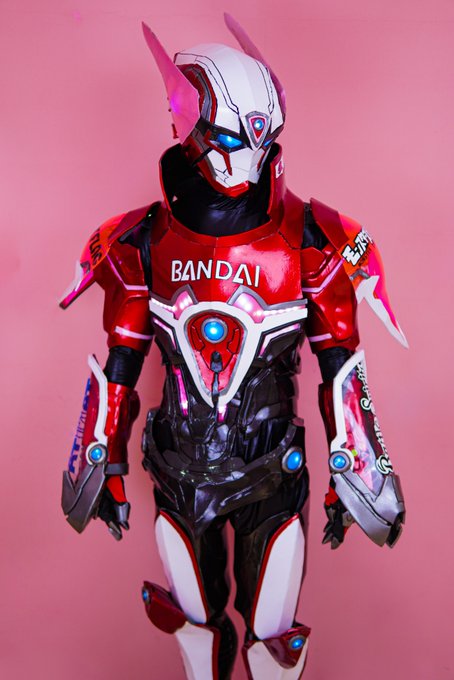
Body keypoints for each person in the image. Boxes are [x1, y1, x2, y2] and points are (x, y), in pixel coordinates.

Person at [61, 14, 406, 679]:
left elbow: (341, 365)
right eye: (227, 138)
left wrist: (357, 472)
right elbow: (121, 358)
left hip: (271, 473)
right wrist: (98, 458)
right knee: (196, 635)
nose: (245, 158)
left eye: (259, 139)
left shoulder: (317, 236)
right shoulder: (137, 240)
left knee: (274, 648)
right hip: (176, 468)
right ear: (187, 125)